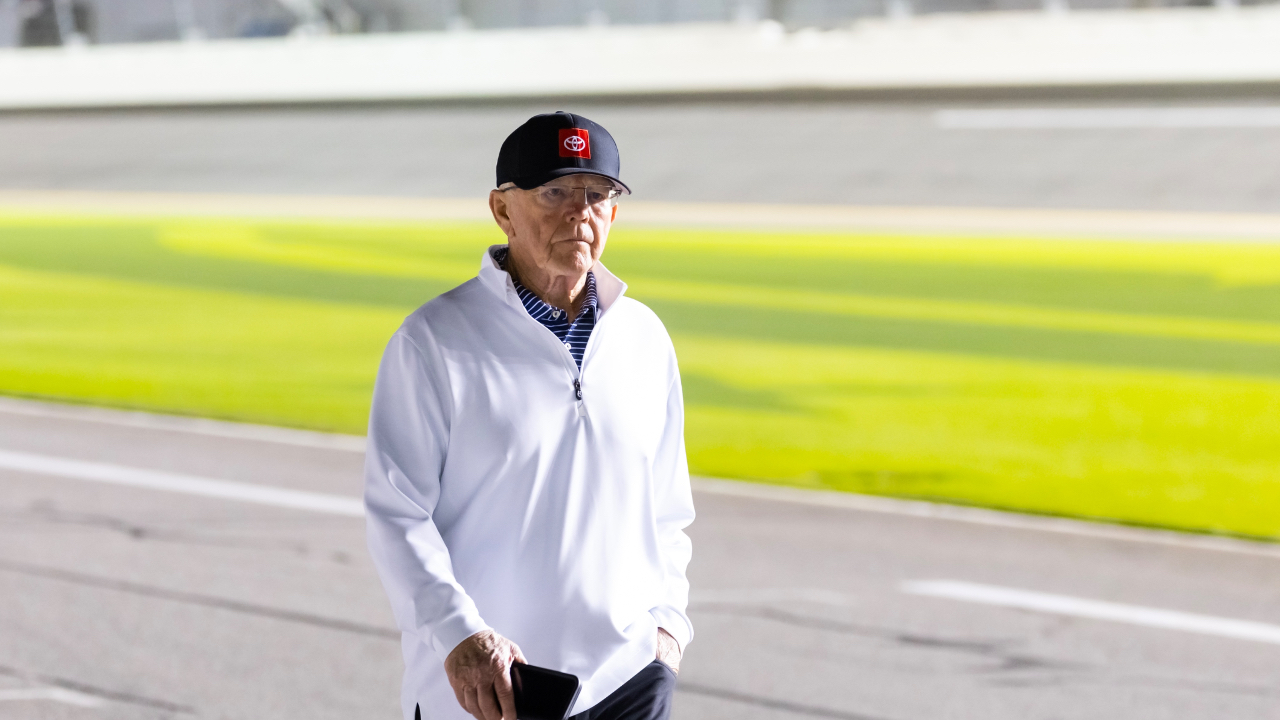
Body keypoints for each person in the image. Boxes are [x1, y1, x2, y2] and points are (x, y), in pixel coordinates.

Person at [364, 111, 695, 720]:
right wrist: (460, 636)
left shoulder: (644, 338)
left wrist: (667, 631)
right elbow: (396, 515)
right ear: (501, 209)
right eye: (553, 193)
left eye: (598, 194)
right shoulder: (434, 341)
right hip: (489, 690)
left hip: (628, 681)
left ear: (614, 213)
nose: (579, 212)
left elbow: (668, 508)